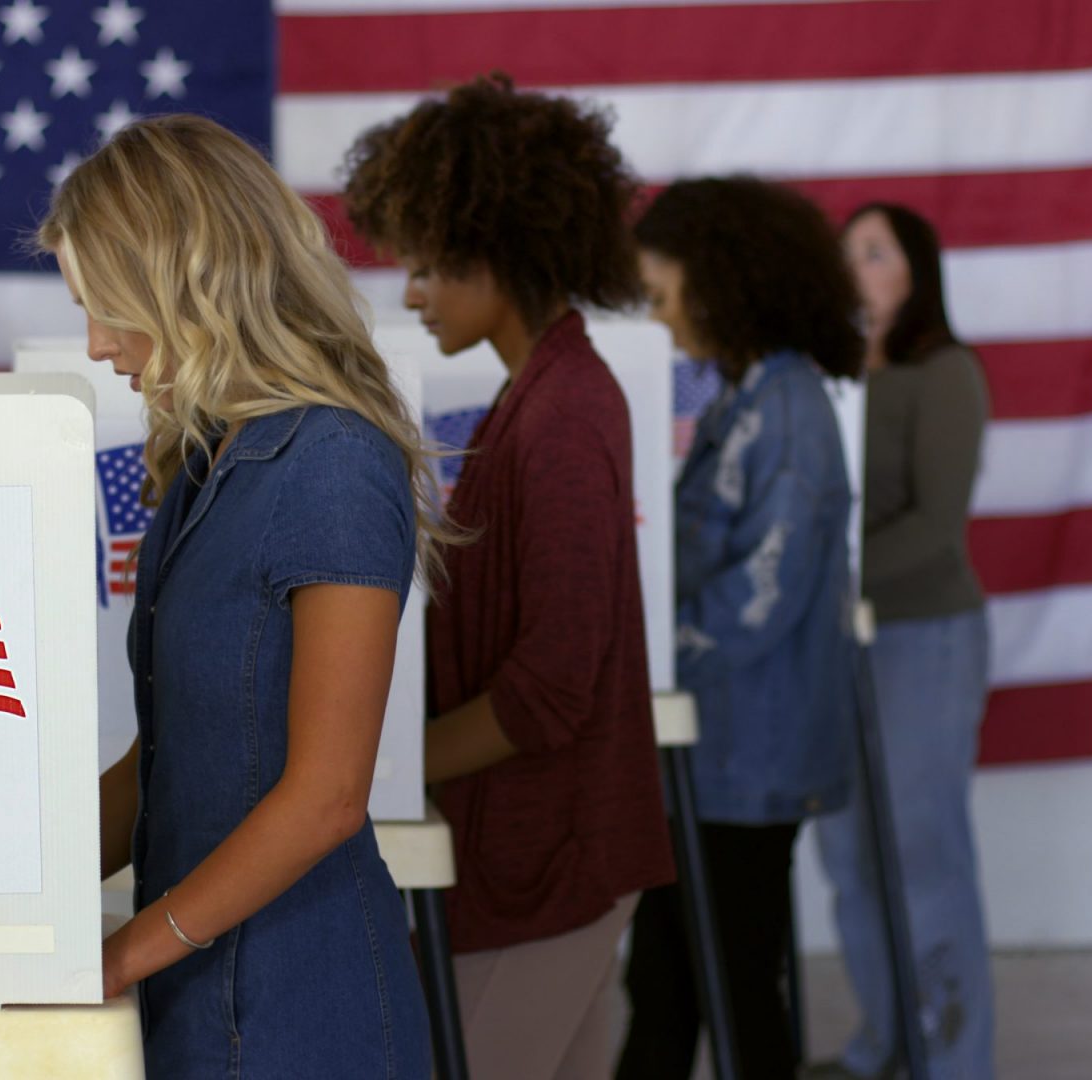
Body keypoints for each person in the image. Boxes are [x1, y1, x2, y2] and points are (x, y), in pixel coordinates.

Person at [46, 114, 451, 1077]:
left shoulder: (335, 462)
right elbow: (169, 761)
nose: (98, 344)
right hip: (199, 991)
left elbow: (326, 799)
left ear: (188, 280)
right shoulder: (202, 460)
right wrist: (9, 888)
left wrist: (117, 956)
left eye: (109, 306)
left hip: (303, 1008)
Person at [343, 74, 676, 1080]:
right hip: (544, 850)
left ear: (498, 244)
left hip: (551, 854)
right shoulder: (539, 398)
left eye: (428, 263)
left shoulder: (563, 412)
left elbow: (553, 681)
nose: (408, 291)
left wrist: (375, 774)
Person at [615, 177, 864, 1080]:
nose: (662, 320)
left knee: (730, 986)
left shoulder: (787, 412)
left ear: (724, 285)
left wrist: (634, 656)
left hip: (747, 758)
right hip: (714, 753)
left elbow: (760, 598)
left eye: (665, 297)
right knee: (675, 980)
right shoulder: (746, 397)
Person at [815, 203, 994, 1080]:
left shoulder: (945, 373)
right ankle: (885, 1043)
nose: (857, 267)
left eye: (875, 253)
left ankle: (955, 1060)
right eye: (846, 252)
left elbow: (938, 522)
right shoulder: (825, 377)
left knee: (924, 853)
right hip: (835, 645)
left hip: (923, 636)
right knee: (848, 858)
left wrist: (828, 580)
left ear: (915, 272)